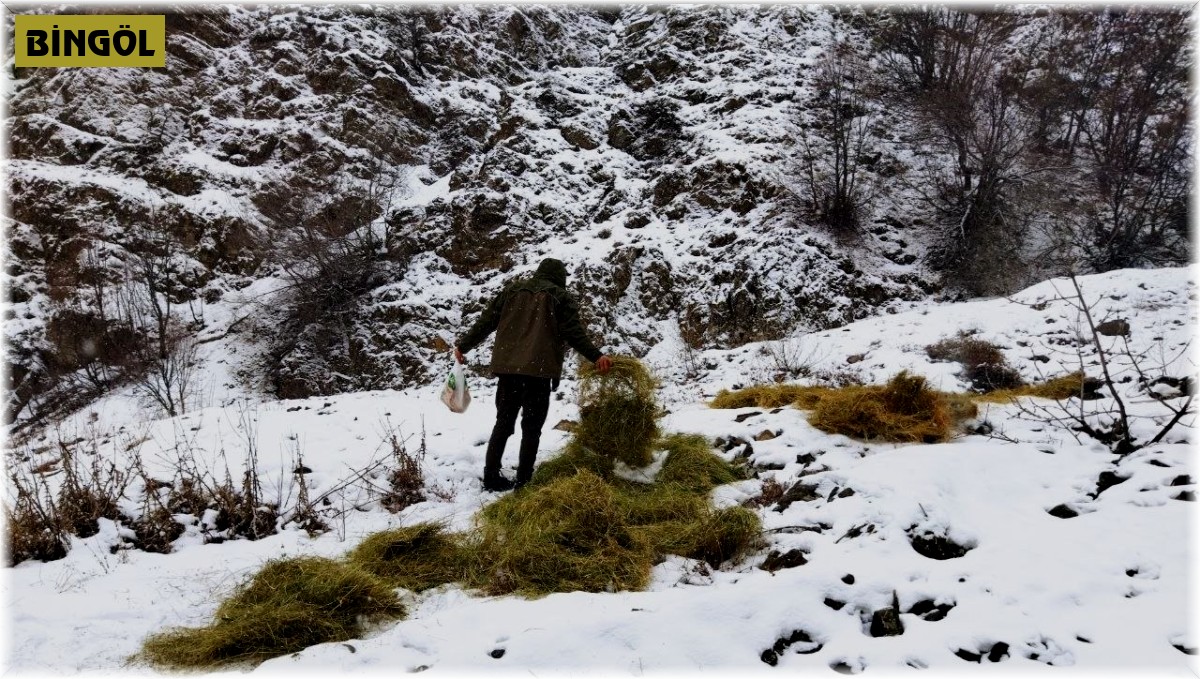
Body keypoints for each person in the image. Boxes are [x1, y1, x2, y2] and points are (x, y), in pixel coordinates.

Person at [455, 258, 613, 492]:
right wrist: (596, 356)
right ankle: (524, 481)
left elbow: (486, 322)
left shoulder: (512, 291)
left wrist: (463, 346)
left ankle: (490, 477)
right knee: (531, 428)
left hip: (509, 371)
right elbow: (573, 333)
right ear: (560, 278)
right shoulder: (560, 296)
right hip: (538, 373)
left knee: (503, 423)